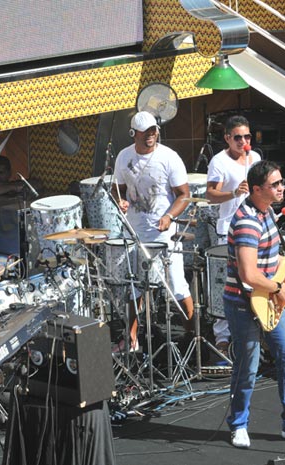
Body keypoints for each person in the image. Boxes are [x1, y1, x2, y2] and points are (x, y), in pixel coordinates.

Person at [223, 160, 285, 448]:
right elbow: (248, 273)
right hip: (244, 304)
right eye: (275, 184)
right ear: (257, 189)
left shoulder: (266, 213)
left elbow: (269, 259)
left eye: (282, 182)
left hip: (266, 300)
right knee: (247, 367)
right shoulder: (246, 221)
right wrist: (280, 288)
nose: (282, 188)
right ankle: (239, 424)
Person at [112, 111, 194, 351]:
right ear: (134, 133)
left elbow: (184, 194)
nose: (150, 135)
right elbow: (118, 188)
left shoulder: (169, 157)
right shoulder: (123, 157)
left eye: (153, 130)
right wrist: (120, 201)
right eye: (145, 131)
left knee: (176, 285)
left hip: (163, 234)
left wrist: (169, 216)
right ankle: (131, 339)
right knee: (134, 285)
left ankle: (193, 337)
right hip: (135, 231)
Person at [205, 115, 261, 356]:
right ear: (227, 138)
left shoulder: (255, 158)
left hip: (254, 226)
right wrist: (233, 192)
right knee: (227, 282)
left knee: (255, 278)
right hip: (229, 226)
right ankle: (222, 336)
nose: (243, 141)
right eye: (237, 137)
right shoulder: (219, 162)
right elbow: (210, 195)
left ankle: (255, 330)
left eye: (247, 136)